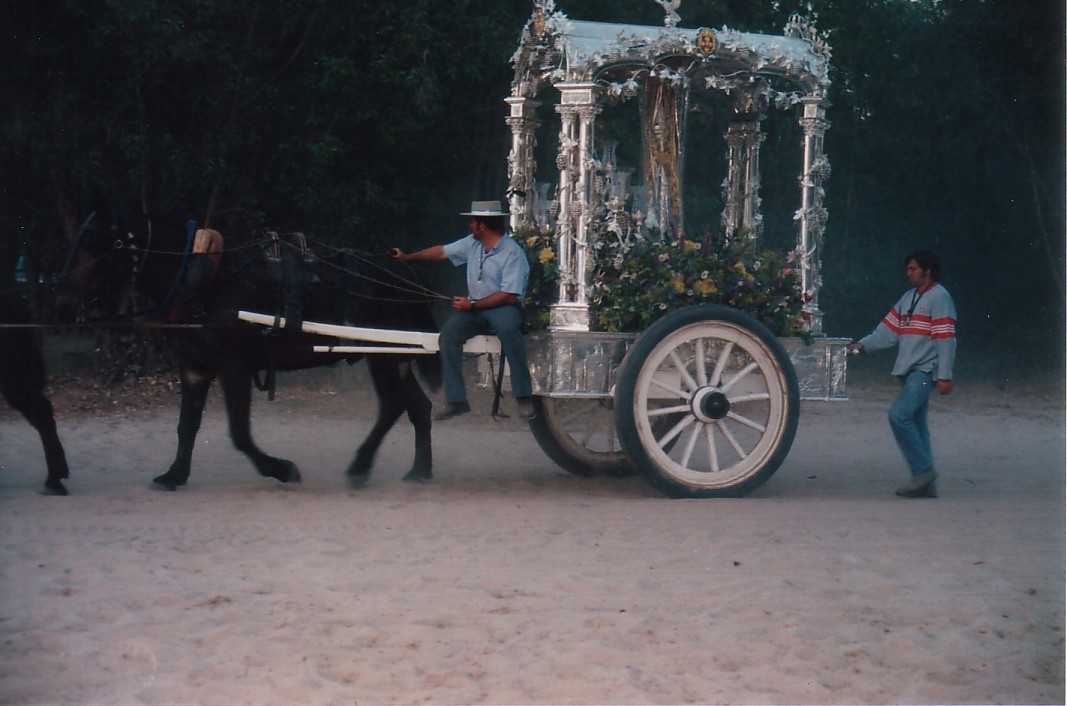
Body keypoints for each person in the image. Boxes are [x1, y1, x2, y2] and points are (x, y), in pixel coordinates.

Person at [391, 200, 536, 421]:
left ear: (482, 225)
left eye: (473, 221)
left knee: (508, 329)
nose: (470, 224)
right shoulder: (472, 244)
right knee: (449, 335)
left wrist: (473, 306)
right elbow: (441, 252)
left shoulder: (512, 253)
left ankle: (524, 396)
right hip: (475, 307)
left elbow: (509, 295)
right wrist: (407, 258)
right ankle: (457, 400)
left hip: (503, 307)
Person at [846, 250, 957, 498]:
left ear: (927, 270)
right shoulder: (909, 297)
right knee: (917, 424)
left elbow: (945, 339)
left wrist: (944, 375)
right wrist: (862, 345)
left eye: (913, 268)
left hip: (925, 370)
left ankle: (923, 471)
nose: (909, 273)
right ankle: (926, 485)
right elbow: (888, 330)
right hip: (909, 371)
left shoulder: (940, 297)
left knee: (899, 415)